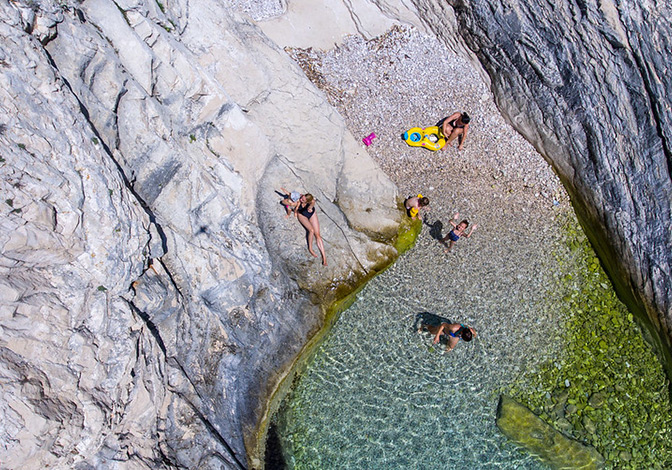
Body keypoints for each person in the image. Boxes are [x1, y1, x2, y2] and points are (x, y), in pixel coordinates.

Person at [296, 194, 327, 266]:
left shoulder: (311, 201)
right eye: (301, 198)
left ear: (307, 201)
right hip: (302, 215)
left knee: (318, 235)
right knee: (311, 230)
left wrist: (310, 207)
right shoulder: (299, 199)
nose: (301, 200)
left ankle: (324, 258)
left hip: (311, 214)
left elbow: (313, 201)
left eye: (303, 200)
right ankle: (310, 248)